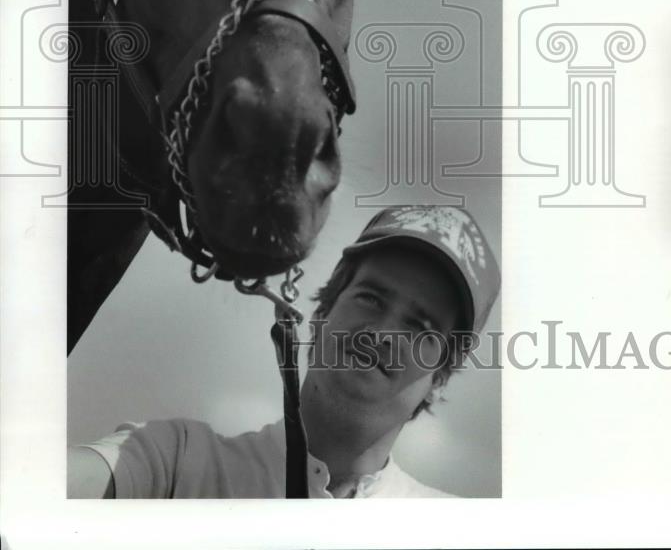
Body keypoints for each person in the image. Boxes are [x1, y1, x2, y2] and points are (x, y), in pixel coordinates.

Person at [68, 205, 501, 498]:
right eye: (371, 298)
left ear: (438, 379)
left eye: (419, 326)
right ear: (320, 314)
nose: (385, 332)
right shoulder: (175, 462)